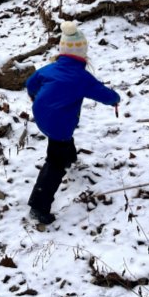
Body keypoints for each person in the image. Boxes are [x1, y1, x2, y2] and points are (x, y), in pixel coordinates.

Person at [25, 21, 120, 225]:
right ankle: (38, 207)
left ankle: (71, 157)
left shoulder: (49, 69)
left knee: (63, 135)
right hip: (57, 121)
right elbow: (104, 94)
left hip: (41, 114)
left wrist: (33, 94)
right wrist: (115, 99)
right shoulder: (82, 77)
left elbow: (31, 83)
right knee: (55, 161)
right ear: (83, 53)